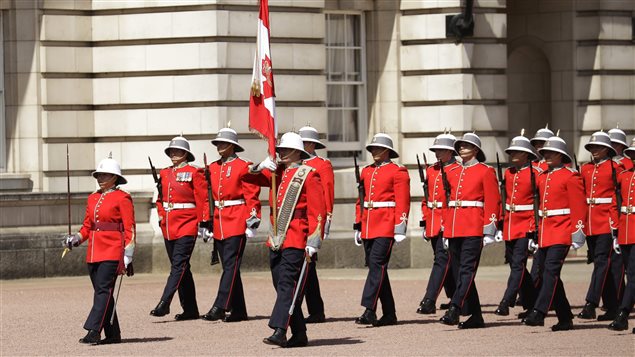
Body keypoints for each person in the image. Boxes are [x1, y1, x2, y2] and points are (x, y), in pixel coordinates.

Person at [245, 132, 326, 348]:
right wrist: (261, 166)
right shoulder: (276, 173)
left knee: (287, 284)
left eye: (284, 150)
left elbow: (318, 211)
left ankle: (280, 330)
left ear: (296, 152)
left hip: (297, 236)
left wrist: (314, 240)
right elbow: (245, 177)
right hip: (277, 236)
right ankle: (299, 334)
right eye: (279, 149)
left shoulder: (309, 174)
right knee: (281, 285)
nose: (280, 153)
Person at [64, 155, 135, 345]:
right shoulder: (93, 197)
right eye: (99, 175)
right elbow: (87, 226)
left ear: (115, 177)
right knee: (104, 292)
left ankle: (94, 330)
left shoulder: (123, 197)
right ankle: (113, 334)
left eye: (105, 175)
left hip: (113, 250)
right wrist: (76, 239)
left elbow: (130, 227)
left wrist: (128, 253)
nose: (101, 179)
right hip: (94, 251)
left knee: (103, 291)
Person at [522, 136, 587, 331]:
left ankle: (539, 312)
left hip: (562, 230)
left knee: (551, 270)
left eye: (550, 153)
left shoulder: (571, 176)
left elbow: (579, 206)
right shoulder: (542, 176)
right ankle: (565, 317)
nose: (546, 156)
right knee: (547, 273)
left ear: (560, 155)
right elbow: (538, 206)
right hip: (545, 230)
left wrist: (578, 231)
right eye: (544, 153)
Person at [438, 132, 500, 329]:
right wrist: (446, 230)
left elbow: (492, 201)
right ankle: (477, 317)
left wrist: (490, 229)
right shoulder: (452, 172)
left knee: (466, 270)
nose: (462, 148)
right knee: (461, 273)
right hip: (455, 227)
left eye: (466, 145)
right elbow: (447, 203)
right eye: (460, 145)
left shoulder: (485, 171)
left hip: (474, 226)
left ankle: (455, 308)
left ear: (475, 149)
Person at [201, 128, 261, 322]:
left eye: (222, 143)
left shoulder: (244, 166)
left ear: (232, 146)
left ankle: (220, 305)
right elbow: (207, 197)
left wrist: (252, 221)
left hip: (236, 219)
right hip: (219, 221)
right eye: (217, 143)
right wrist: (206, 222)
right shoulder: (212, 167)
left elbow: (251, 195)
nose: (219, 147)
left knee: (230, 265)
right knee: (230, 267)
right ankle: (239, 311)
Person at [150, 136, 210, 321]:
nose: (173, 154)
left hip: (187, 224)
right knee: (183, 268)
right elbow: (160, 198)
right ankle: (190, 309)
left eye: (177, 151)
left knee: (178, 266)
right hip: (169, 225)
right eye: (171, 151)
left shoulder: (194, 171)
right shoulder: (165, 172)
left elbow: (202, 199)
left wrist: (204, 222)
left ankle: (164, 302)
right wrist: (161, 215)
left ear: (185, 154)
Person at [353, 133, 411, 327]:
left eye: (378, 148)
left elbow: (403, 200)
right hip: (368, 224)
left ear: (387, 151)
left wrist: (400, 227)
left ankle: (369, 310)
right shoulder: (366, 171)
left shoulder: (398, 171)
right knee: (378, 269)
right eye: (372, 149)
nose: (374, 152)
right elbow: (360, 200)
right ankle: (390, 313)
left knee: (377, 264)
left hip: (386, 224)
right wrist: (358, 225)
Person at [578, 131, 624, 321]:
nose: (594, 150)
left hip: (606, 220)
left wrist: (615, 222)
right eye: (592, 147)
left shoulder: (616, 168)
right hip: (590, 221)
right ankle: (613, 307)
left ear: (607, 149)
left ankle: (591, 303)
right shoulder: (586, 169)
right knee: (601, 264)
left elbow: (618, 197)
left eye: (598, 147)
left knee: (602, 262)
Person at [494, 133, 539, 316]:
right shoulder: (509, 173)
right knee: (516, 265)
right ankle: (532, 303)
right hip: (510, 224)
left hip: (526, 224)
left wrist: (534, 230)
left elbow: (538, 204)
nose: (513, 154)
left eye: (517, 151)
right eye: (512, 151)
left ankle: (506, 301)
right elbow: (503, 200)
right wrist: (499, 224)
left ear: (527, 154)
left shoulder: (536, 173)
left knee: (518, 265)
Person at [416, 133, 458, 314]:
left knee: (441, 260)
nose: (437, 153)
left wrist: (447, 224)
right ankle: (456, 297)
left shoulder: (458, 170)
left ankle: (429, 299)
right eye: (435, 150)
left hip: (448, 223)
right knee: (446, 261)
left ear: (450, 151)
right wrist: (426, 221)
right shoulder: (431, 170)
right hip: (433, 222)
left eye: (441, 150)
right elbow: (426, 200)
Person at [298, 126, 334, 324]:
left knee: (307, 265)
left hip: (313, 220)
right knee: (307, 268)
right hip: (296, 221)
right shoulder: (294, 163)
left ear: (311, 144)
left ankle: (310, 309)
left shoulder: (322, 165)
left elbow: (326, 193)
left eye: (303, 142)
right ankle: (315, 310)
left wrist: (325, 223)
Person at [608, 138, 635, 333]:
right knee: (629, 274)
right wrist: (616, 230)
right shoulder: (624, 176)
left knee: (633, 275)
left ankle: (623, 314)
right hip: (625, 230)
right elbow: (614, 203)